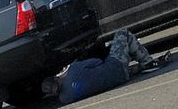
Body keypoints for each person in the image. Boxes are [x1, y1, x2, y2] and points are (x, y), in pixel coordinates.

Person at [41, 29, 169, 105]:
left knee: (102, 74)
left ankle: (140, 67)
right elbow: (97, 62)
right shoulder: (74, 70)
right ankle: (147, 63)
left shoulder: (65, 99)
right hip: (115, 68)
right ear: (56, 78)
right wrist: (68, 70)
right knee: (123, 34)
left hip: (118, 79)